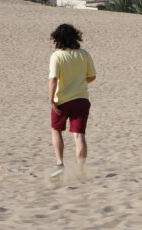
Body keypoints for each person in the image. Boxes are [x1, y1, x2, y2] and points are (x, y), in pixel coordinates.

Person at [48, 23, 96, 177]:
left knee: (56, 131)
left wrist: (51, 99)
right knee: (79, 135)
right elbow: (92, 76)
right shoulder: (84, 54)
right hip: (81, 99)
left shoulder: (57, 55)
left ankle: (60, 163)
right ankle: (81, 170)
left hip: (61, 100)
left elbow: (53, 79)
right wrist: (78, 83)